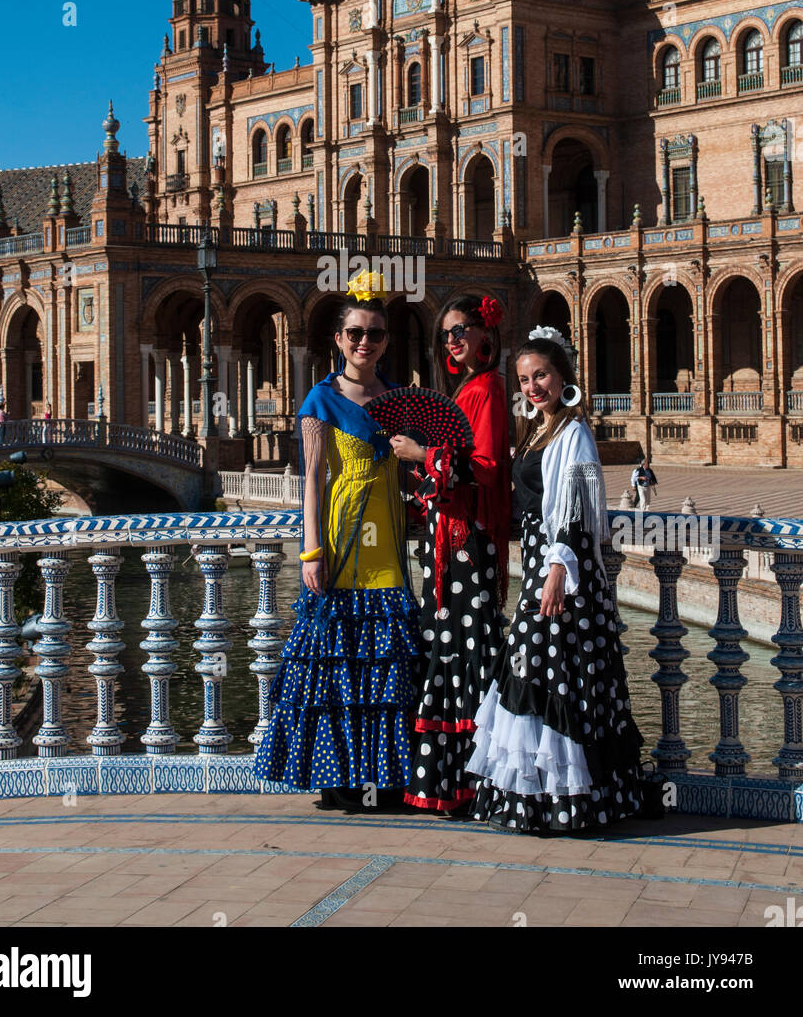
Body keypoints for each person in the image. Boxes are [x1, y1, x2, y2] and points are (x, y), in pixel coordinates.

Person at [254, 272, 421, 811]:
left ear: (386, 341)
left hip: (388, 535)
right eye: (355, 333)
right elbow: (312, 479)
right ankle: (340, 773)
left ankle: (384, 776)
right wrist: (310, 549)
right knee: (338, 656)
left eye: (374, 333)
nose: (364, 342)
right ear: (338, 338)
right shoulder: (321, 400)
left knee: (385, 658)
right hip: (345, 532)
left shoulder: (399, 399)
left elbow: (408, 473)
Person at [468, 325, 643, 834]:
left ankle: (570, 801)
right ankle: (539, 798)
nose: (531, 386)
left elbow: (577, 514)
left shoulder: (575, 432)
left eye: (540, 375)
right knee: (534, 673)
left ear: (563, 375)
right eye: (523, 379)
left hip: (562, 571)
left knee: (558, 674)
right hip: (541, 567)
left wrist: (558, 573)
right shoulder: (538, 430)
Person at [391, 294, 510, 815]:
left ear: (486, 334)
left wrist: (422, 454)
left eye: (461, 329)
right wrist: (424, 481)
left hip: (468, 546)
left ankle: (471, 785)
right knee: (449, 649)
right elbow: (456, 472)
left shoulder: (487, 389)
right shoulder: (466, 390)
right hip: (449, 544)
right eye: (445, 333)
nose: (453, 339)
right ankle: (452, 785)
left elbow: (482, 466)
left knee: (465, 650)